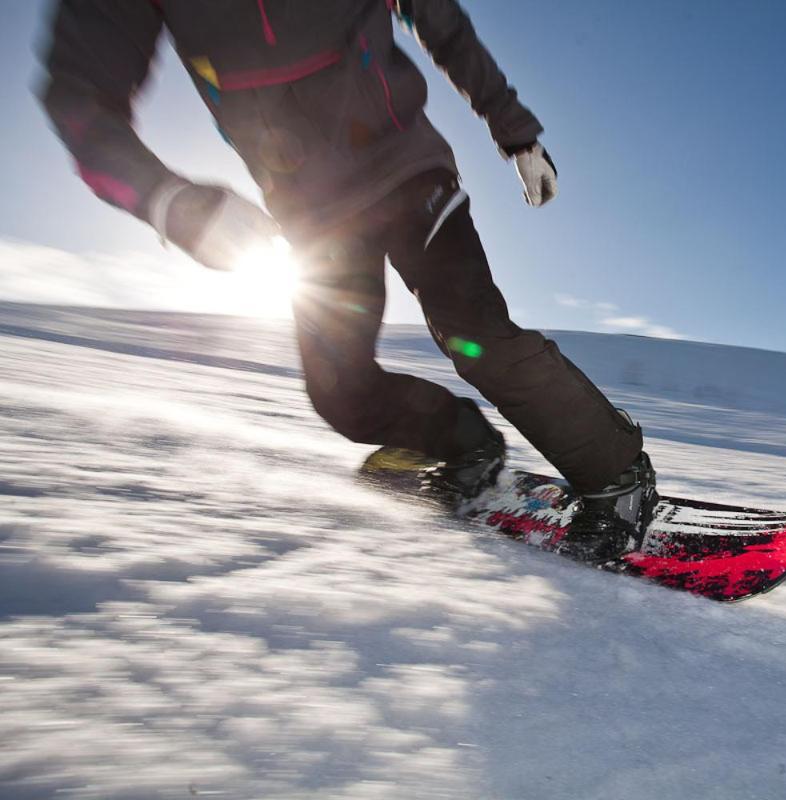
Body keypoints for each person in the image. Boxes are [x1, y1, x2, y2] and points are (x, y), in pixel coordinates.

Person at [37, 0, 657, 562]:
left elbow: (440, 19)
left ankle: (617, 473)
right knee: (340, 393)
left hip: (407, 168)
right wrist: (169, 200)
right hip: (313, 216)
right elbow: (80, 95)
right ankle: (468, 443)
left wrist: (514, 129)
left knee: (473, 332)